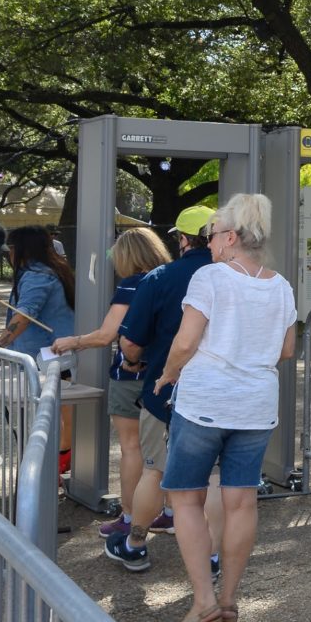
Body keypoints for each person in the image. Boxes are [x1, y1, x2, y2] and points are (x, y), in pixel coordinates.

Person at [146, 193, 296, 622]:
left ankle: (204, 605)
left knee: (185, 498)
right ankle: (229, 603)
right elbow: (286, 351)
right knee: (241, 501)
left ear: (231, 237)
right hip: (256, 406)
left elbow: (186, 341)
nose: (209, 245)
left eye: (212, 236)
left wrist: (168, 375)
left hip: (207, 402)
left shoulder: (211, 278)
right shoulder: (281, 285)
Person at [51, 225, 176, 566]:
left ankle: (129, 516)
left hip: (130, 375)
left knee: (133, 448)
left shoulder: (132, 285)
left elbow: (107, 334)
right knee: (165, 449)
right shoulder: (175, 279)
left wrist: (72, 342)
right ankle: (168, 511)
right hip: (169, 375)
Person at [113, 208, 226, 573]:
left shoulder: (160, 277)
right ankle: (211, 558)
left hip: (167, 391)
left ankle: (135, 544)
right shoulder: (236, 278)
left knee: (155, 471)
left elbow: (130, 343)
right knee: (213, 478)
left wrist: (134, 363)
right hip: (221, 394)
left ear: (183, 239)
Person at [0, 225, 74, 360]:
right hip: (52, 353)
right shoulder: (51, 270)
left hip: (45, 357)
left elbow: (24, 316)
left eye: (11, 249)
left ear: (22, 250)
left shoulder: (37, 276)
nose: (9, 255)